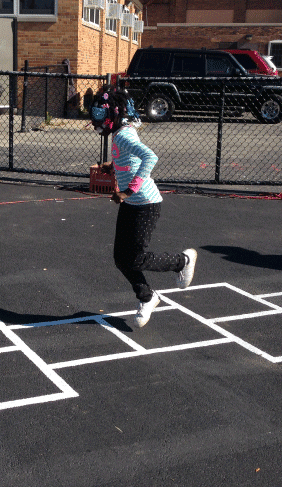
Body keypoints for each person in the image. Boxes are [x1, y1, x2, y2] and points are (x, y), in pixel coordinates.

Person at [90, 88, 198, 328]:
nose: (96, 121)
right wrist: (113, 165)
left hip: (146, 204)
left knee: (135, 257)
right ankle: (148, 297)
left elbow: (150, 157)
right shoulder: (122, 132)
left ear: (113, 115)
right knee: (121, 258)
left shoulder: (123, 136)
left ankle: (182, 262)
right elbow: (130, 159)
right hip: (133, 203)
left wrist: (128, 190)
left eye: (99, 115)